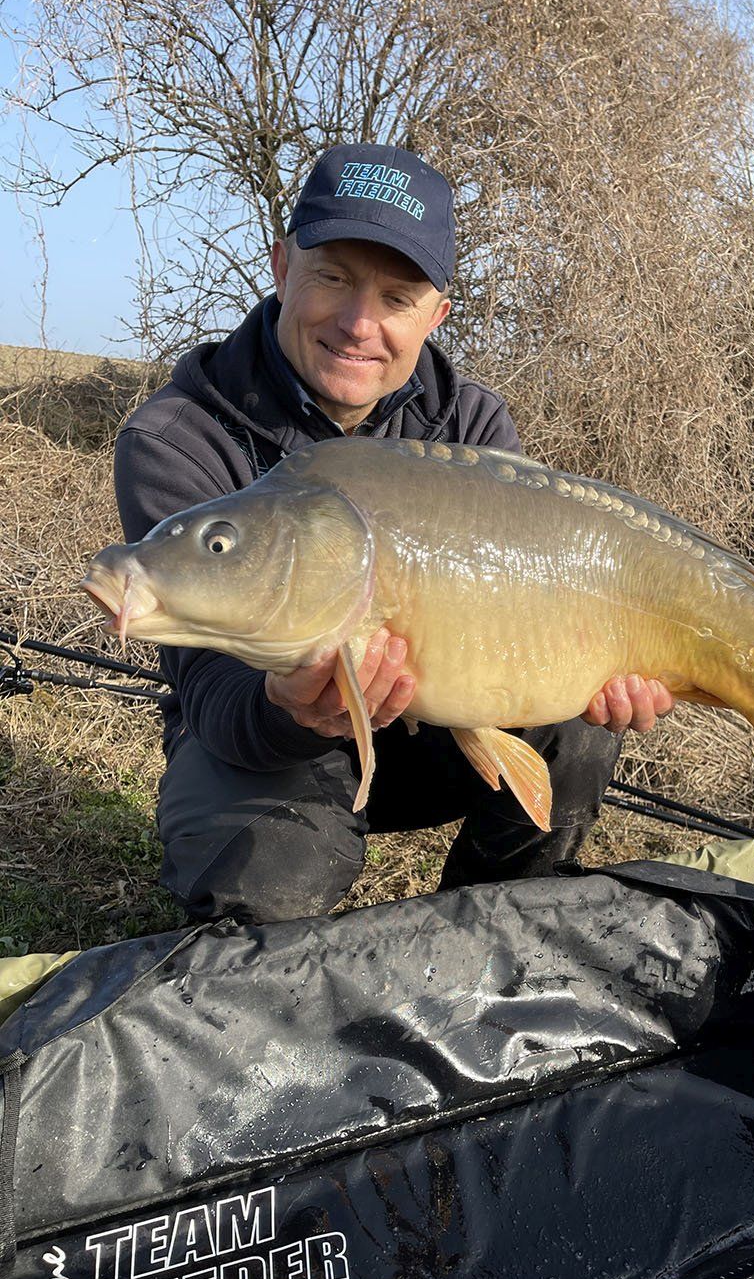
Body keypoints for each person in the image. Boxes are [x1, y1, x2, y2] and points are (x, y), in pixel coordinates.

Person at [114, 142, 673, 923]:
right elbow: (208, 692)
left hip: (432, 724)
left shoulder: (471, 427)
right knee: (263, 878)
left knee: (578, 729)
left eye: (398, 296)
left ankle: (486, 941)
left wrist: (611, 666)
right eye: (333, 278)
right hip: (264, 741)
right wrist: (290, 707)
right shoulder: (178, 437)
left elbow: (539, 616)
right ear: (282, 268)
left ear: (436, 315)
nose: (358, 324)